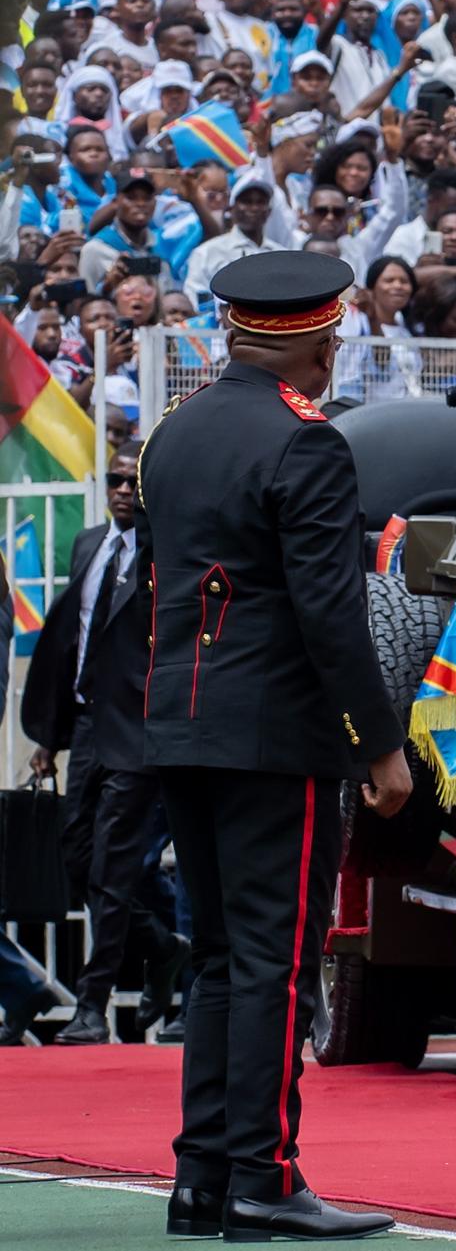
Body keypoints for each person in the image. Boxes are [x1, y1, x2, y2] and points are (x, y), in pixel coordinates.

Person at [138, 251, 412, 1241]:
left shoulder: (173, 435)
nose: (336, 352)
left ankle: (201, 1175)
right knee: (275, 961)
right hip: (273, 737)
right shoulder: (308, 443)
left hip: (181, 724)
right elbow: (331, 613)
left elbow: (151, 591)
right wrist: (380, 742)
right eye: (334, 337)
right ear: (314, 335)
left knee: (217, 955)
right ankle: (265, 1171)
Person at [21, 444, 187, 1045]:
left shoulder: (165, 551)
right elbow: (70, 640)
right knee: (75, 858)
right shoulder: (88, 545)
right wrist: (51, 736)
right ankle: (164, 947)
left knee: (113, 868)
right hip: (89, 726)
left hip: (140, 729)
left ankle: (90, 1006)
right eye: (115, 479)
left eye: (133, 480)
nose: (122, 489)